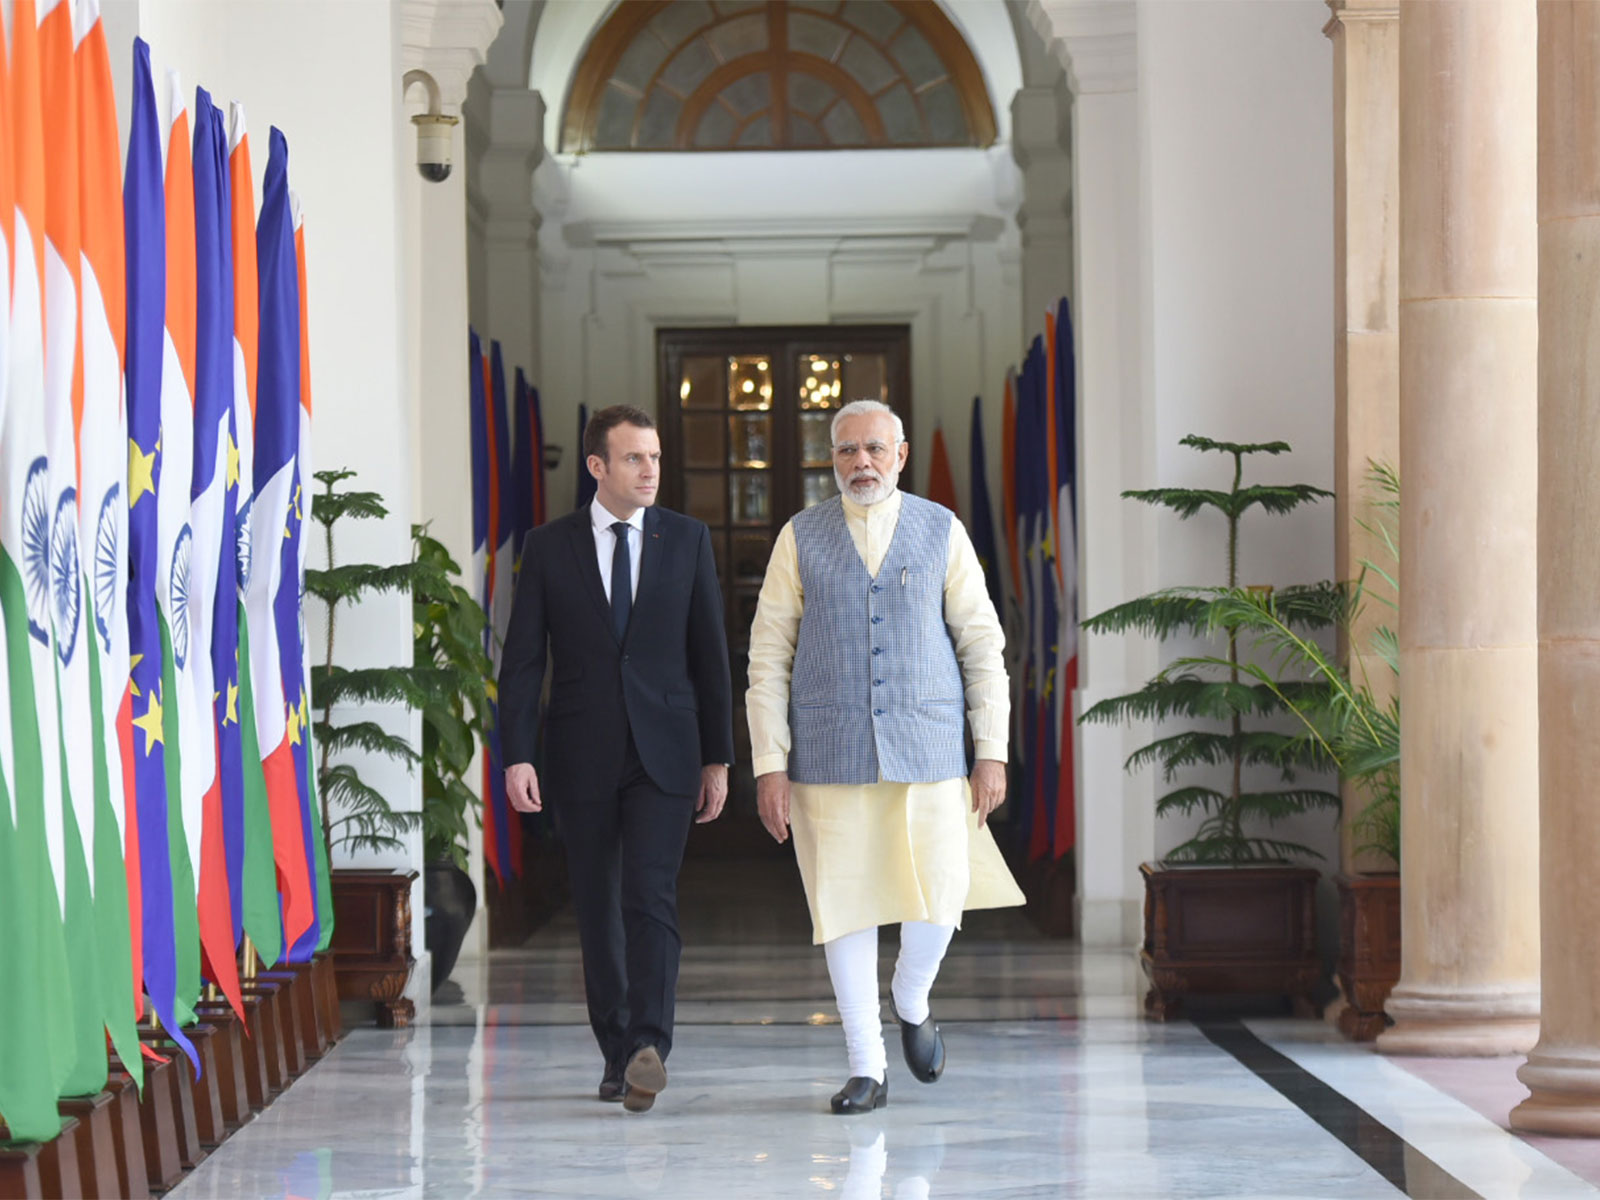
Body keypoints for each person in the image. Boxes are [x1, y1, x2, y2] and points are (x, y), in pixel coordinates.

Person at [746, 398, 1025, 1115]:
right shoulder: (799, 536)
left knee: (940, 890)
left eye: (874, 449)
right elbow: (768, 653)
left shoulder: (941, 529)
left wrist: (990, 749)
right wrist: (768, 763)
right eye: (846, 451)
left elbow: (981, 643)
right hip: (826, 750)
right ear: (830, 459)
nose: (860, 462)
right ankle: (866, 1066)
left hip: (930, 746)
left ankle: (911, 993)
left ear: (899, 456)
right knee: (845, 908)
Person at [499, 404, 734, 1114]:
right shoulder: (548, 546)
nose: (650, 470)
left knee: (651, 897)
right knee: (598, 903)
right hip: (580, 751)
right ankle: (615, 1052)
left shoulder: (687, 540)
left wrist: (719, 758)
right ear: (597, 466)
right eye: (634, 458)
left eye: (655, 458)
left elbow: (710, 655)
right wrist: (517, 756)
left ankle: (649, 1044)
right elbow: (522, 661)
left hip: (668, 750)